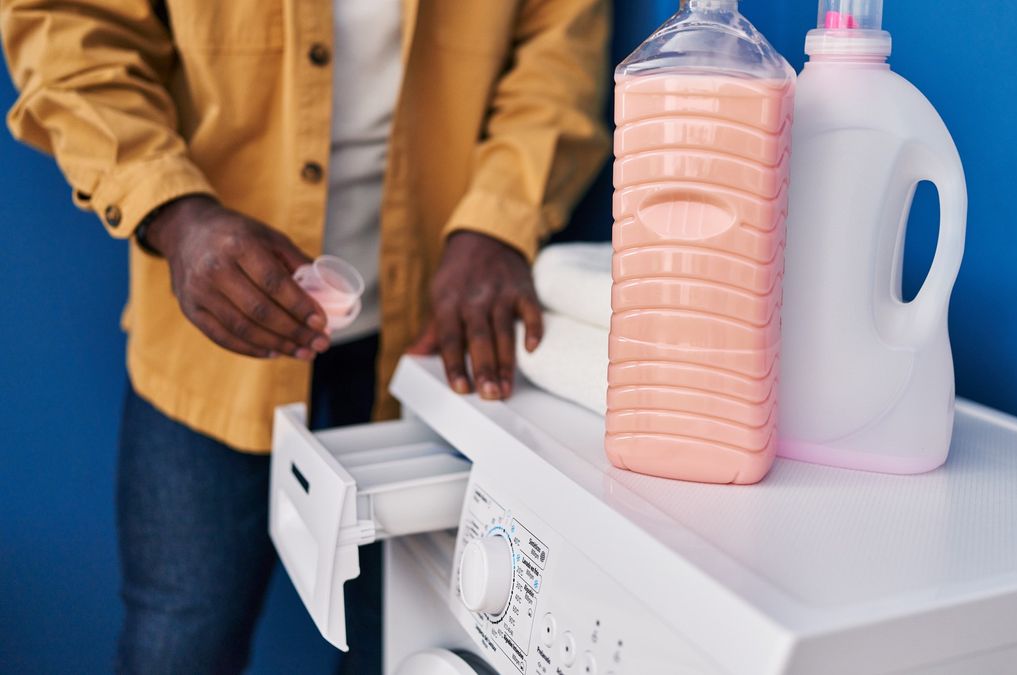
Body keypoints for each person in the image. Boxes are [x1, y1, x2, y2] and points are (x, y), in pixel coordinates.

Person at [1, 0, 610, 672]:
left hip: (432, 343)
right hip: (211, 340)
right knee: (178, 638)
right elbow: (68, 31)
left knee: (398, 639)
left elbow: (561, 42)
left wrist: (498, 222)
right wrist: (172, 210)